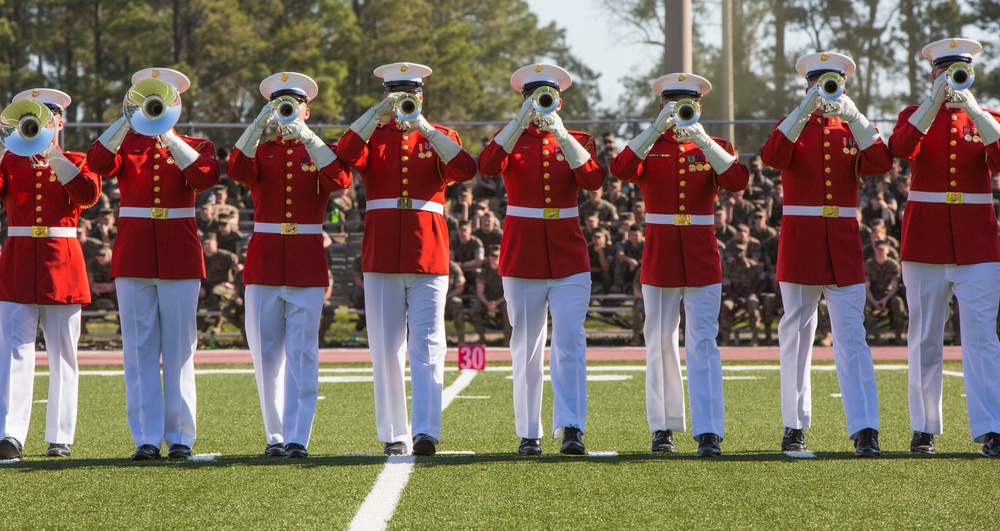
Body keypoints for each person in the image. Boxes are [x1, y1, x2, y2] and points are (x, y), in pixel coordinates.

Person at [337, 62, 476, 456]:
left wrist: (426, 128)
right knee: (385, 347)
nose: (403, 101)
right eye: (395, 94)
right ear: (385, 96)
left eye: (410, 94)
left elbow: (465, 169)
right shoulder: (373, 135)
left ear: (422, 96)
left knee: (429, 345)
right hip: (381, 252)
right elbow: (344, 155)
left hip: (428, 253)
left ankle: (426, 431)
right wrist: (375, 115)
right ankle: (394, 432)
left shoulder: (439, 136)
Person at [612, 72, 749, 457]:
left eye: (686, 105)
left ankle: (709, 431)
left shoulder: (713, 145)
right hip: (660, 254)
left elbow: (738, 180)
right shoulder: (650, 146)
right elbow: (620, 169)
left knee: (703, 343)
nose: (679, 111)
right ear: (661, 107)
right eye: (671, 105)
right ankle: (663, 426)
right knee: (659, 342)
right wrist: (656, 129)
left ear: (699, 107)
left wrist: (702, 139)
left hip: (701, 253)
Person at [87, 67, 220, 460]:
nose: (155, 104)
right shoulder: (126, 142)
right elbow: (95, 161)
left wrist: (171, 136)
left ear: (177, 102)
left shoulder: (197, 144)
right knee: (139, 350)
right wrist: (126, 120)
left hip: (179, 255)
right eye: (147, 97)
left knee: (180, 350)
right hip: (134, 252)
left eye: (161, 98)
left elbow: (205, 177)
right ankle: (145, 437)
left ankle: (180, 438)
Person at [761, 52, 890, 457]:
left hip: (844, 242)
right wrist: (804, 109)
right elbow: (772, 156)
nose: (825, 91)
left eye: (831, 83)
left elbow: (881, 162)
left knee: (852, 338)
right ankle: (794, 425)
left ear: (844, 86)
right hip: (801, 241)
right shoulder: (794, 125)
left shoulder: (853, 126)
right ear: (806, 86)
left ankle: (865, 428)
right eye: (818, 84)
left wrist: (854, 116)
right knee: (795, 339)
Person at [479, 63, 607, 455]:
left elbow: (592, 179)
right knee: (527, 347)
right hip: (523, 255)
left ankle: (571, 427)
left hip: (569, 255)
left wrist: (562, 133)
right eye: (532, 98)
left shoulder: (577, 138)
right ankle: (529, 432)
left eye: (546, 97)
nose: (540, 104)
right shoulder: (510, 138)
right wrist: (519, 122)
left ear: (559, 100)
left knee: (570, 342)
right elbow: (486, 168)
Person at [229, 72, 352, 458]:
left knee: (303, 353)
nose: (286, 113)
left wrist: (308, 137)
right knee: (265, 355)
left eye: (293, 105)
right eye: (279, 105)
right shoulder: (261, 150)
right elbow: (235, 168)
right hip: (264, 261)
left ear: (306, 110)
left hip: (305, 261)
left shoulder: (317, 151)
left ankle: (299, 437)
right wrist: (257, 124)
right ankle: (276, 436)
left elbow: (341, 178)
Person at [888, 38, 1000, 457]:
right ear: (933, 74)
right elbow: (899, 150)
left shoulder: (986, 118)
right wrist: (933, 103)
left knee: (983, 339)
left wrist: (973, 110)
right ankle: (923, 427)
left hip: (978, 245)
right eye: (943, 72)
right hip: (925, 244)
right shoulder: (914, 116)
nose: (950, 79)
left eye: (958, 71)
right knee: (924, 339)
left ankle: (992, 427)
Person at [0, 88, 101, 460]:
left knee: (63, 355)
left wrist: (53, 154)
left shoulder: (77, 159)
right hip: (17, 261)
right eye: (33, 117)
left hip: (62, 263)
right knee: (14, 353)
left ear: (60, 122)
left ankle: (60, 436)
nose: (40, 123)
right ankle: (10, 434)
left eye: (47, 117)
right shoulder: (9, 162)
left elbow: (88, 194)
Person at [864, 240, 905, 345]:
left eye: (882, 250)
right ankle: (877, 335)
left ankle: (898, 336)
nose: (880, 252)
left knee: (898, 302)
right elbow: (866, 288)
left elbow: (894, 287)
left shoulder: (893, 265)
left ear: (887, 250)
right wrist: (874, 302)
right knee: (864, 307)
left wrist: (885, 300)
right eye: (878, 250)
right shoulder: (868, 265)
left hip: (888, 296)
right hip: (872, 295)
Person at [471, 245, 511, 344]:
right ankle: (482, 339)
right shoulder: (484, 271)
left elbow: (509, 291)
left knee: (508, 309)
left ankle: (507, 341)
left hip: (502, 299)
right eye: (493, 256)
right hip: (486, 300)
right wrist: (487, 303)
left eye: (498, 256)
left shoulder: (506, 270)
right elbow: (479, 292)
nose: (495, 258)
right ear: (489, 257)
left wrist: (497, 303)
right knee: (475, 309)